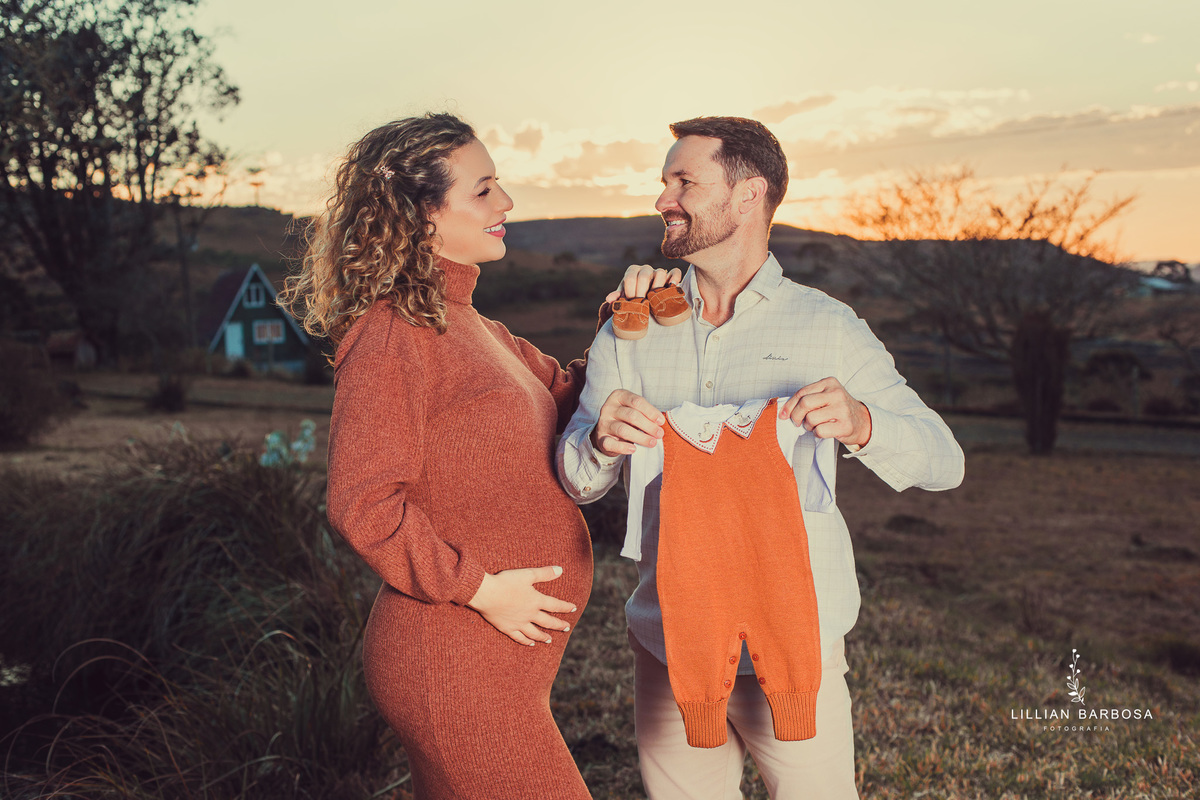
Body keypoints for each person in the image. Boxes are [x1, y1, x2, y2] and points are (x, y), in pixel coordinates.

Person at [557, 116, 965, 800]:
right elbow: (575, 480)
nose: (663, 200)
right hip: (669, 643)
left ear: (748, 196)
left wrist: (863, 424)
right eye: (663, 183)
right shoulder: (631, 326)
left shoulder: (826, 327)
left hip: (800, 637)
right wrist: (598, 441)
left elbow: (945, 461)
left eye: (684, 181)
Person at [282, 112, 675, 800]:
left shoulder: (476, 326)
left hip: (494, 664)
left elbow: (569, 398)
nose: (508, 204)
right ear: (422, 217)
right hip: (451, 657)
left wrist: (621, 326)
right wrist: (483, 590)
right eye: (484, 190)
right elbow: (362, 503)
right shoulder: (392, 334)